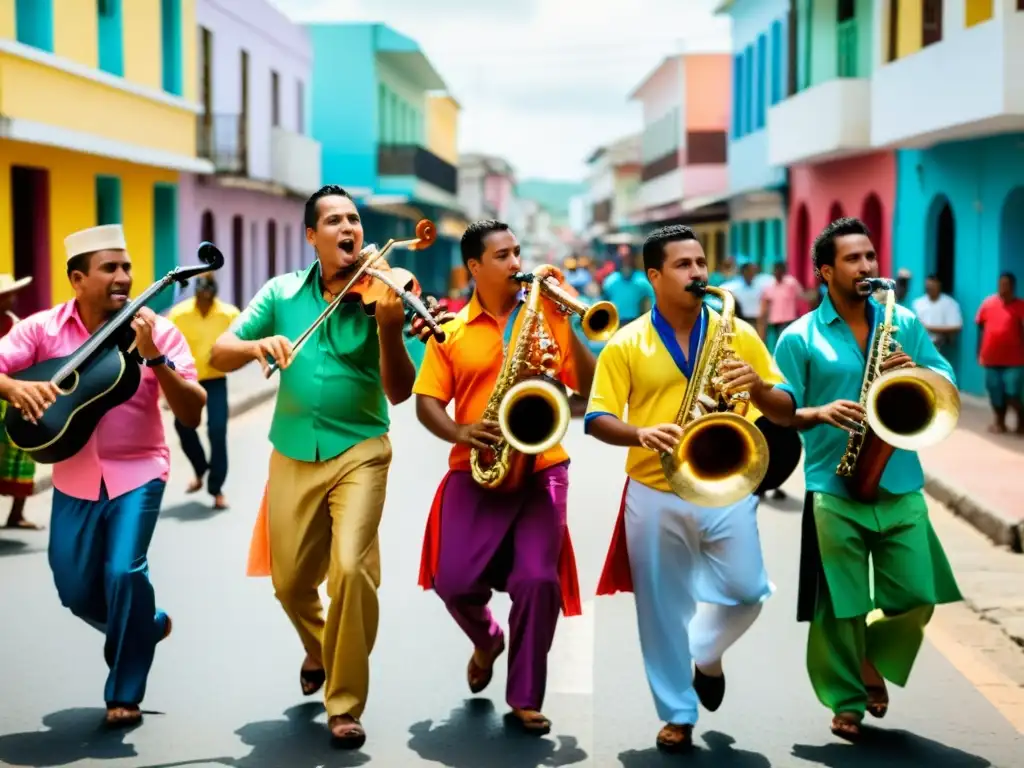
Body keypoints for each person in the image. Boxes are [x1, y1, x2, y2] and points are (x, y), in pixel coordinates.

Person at [209, 184, 451, 749]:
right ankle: (320, 647)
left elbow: (397, 392)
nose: (349, 229)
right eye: (335, 221)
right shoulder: (282, 293)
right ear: (312, 235)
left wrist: (391, 328)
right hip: (292, 449)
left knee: (350, 569)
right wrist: (256, 345)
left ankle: (343, 703)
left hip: (361, 448)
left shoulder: (389, 291)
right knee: (290, 584)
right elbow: (219, 351)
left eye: (355, 220)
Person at [584, 225, 795, 753]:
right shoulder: (625, 343)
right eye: (683, 265)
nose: (698, 273)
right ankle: (677, 712)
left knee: (749, 591)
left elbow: (784, 409)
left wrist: (762, 386)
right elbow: (596, 418)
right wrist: (640, 433)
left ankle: (703, 653)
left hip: (727, 485)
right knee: (659, 609)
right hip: (653, 490)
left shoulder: (738, 332)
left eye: (701, 262)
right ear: (654, 276)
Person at [0, 224, 206, 726]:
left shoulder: (156, 328)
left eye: (127, 267)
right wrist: (11, 390)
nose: (124, 277)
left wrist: (155, 356)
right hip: (71, 477)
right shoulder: (42, 329)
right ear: (78, 278)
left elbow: (193, 410)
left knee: (123, 572)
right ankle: (147, 624)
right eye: (110, 268)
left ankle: (124, 694)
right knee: (73, 591)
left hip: (140, 470)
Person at [772, 217, 962, 741]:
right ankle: (845, 700)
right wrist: (816, 412)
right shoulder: (798, 337)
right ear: (825, 272)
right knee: (841, 603)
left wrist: (917, 372)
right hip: (833, 484)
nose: (866, 267)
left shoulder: (902, 321)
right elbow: (783, 405)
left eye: (870, 257)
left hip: (899, 477)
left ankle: (869, 659)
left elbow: (944, 378)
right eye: (853, 259)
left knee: (918, 595)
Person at [413, 219, 596, 735]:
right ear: (474, 266)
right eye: (502, 256)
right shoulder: (449, 330)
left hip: (541, 466)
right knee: (453, 583)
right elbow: (427, 401)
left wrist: (570, 323)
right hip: (477, 469)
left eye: (518, 252)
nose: (517, 264)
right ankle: (488, 638)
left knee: (538, 581)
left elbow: (586, 384)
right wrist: (460, 430)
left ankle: (525, 697)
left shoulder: (546, 315)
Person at [168, 273, 239, 509]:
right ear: (196, 294)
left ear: (214, 294)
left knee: (217, 430)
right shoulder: (179, 314)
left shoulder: (229, 314)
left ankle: (216, 489)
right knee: (182, 426)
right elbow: (166, 348)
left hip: (216, 380)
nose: (204, 301)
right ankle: (201, 470)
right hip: (187, 380)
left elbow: (242, 340)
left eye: (208, 297)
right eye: (200, 296)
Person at [0, 273, 42, 529]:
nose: (9, 299)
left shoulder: (18, 325)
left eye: (10, 294)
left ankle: (17, 513)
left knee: (22, 452)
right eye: (5, 295)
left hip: (16, 396)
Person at [975, 272, 1024, 435]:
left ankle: (1021, 422)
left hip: (1015, 360)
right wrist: (979, 352)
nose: (1003, 287)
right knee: (995, 392)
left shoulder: (1020, 306)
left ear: (1013, 287)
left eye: (1006, 284)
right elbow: (980, 330)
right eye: (1000, 284)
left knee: (1013, 393)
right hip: (991, 358)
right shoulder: (988, 304)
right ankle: (999, 422)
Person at [911, 274, 962, 365]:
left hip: (942, 347)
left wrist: (929, 328)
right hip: (921, 347)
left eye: (933, 287)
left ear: (939, 286)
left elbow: (956, 327)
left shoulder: (949, 303)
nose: (930, 289)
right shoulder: (918, 303)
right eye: (928, 287)